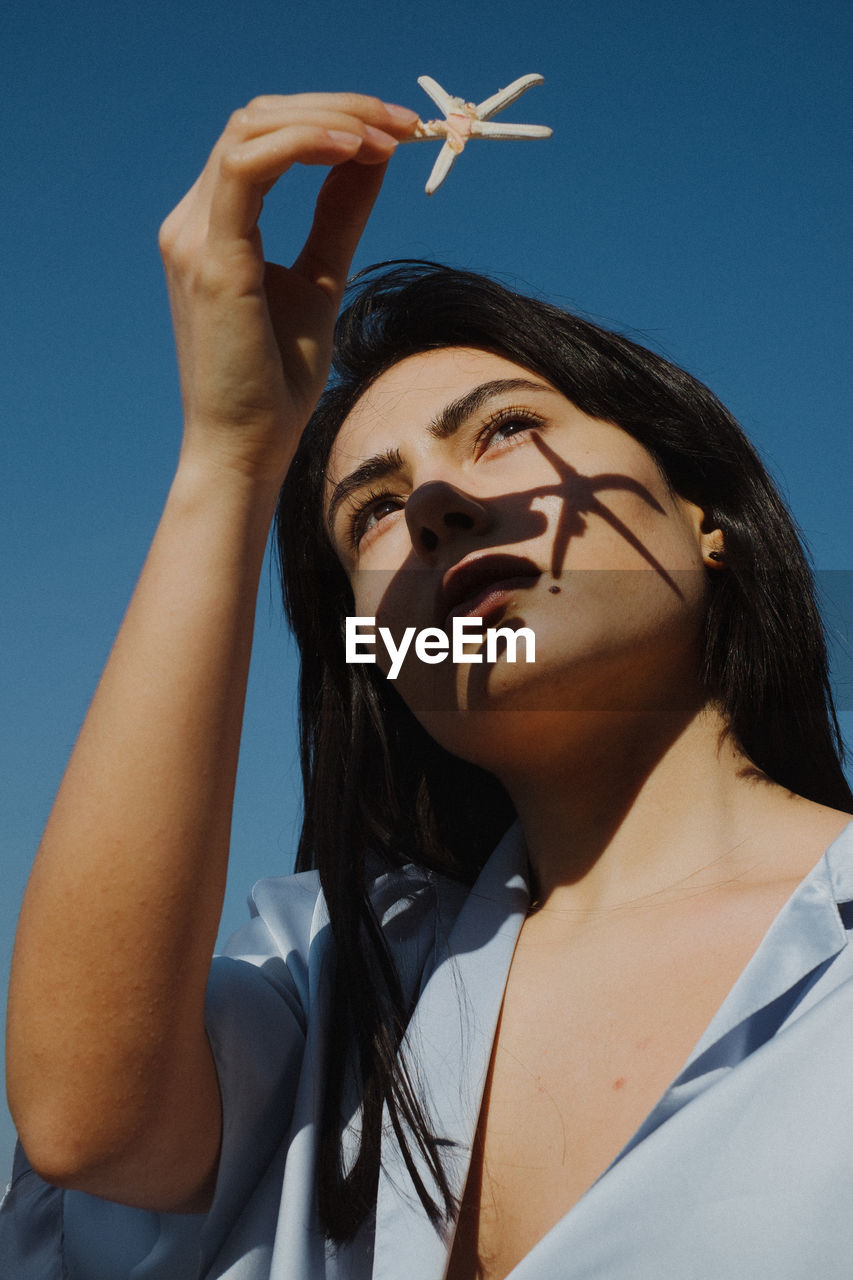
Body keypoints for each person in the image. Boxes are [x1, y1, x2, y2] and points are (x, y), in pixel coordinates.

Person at [2, 91, 852, 1280]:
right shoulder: (332, 993)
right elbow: (87, 1121)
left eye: (503, 428)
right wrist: (233, 452)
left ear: (704, 518)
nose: (437, 506)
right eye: (371, 513)